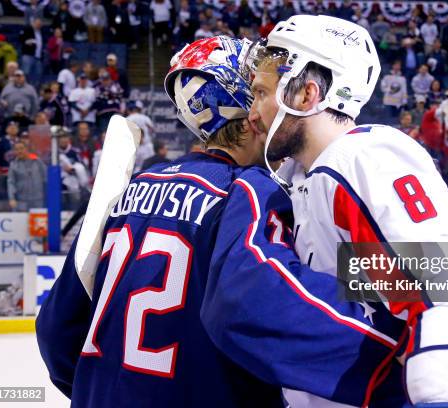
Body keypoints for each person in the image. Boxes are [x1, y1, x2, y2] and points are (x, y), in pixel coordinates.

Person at [37, 36, 411, 408]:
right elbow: (260, 303)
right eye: (261, 92)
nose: (267, 106)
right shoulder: (252, 190)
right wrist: (391, 351)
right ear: (247, 110)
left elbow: (56, 330)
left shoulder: (135, 189)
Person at [243, 15, 448, 407]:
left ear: (307, 95)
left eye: (261, 94)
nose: (252, 113)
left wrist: (442, 398)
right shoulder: (308, 178)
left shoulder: (359, 158)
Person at [7, 140, 47, 211]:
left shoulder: (37, 162)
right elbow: (11, 183)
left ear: (26, 149)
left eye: (21, 148)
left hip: (38, 200)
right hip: (21, 201)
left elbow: (46, 178)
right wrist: (12, 198)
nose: (19, 151)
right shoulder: (13, 165)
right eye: (17, 149)